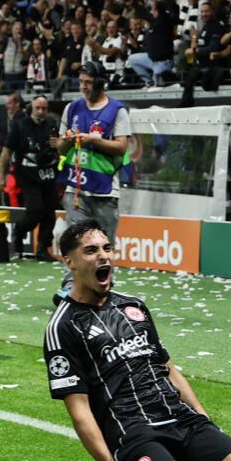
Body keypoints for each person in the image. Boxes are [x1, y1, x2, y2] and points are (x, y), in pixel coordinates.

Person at [46, 220, 231, 461]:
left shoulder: (134, 306)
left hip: (181, 420)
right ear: (70, 261)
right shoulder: (63, 326)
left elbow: (168, 369)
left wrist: (203, 419)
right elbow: (80, 412)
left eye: (107, 248)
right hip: (133, 431)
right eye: (90, 250)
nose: (103, 256)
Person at [55, 60, 129, 299]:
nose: (84, 87)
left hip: (106, 189)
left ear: (99, 82)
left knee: (104, 245)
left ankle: (104, 287)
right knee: (76, 241)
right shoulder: (71, 109)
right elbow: (60, 148)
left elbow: (121, 147)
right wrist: (67, 140)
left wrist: (92, 140)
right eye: (81, 82)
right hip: (75, 188)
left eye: (88, 82)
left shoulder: (117, 110)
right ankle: (70, 288)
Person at [0, 95, 59, 261]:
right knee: (35, 210)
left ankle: (42, 248)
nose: (40, 112)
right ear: (31, 108)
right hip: (27, 175)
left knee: (50, 213)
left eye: (44, 108)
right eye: (37, 108)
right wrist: (1, 176)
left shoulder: (52, 124)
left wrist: (59, 144)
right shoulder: (20, 126)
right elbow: (6, 152)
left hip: (48, 174)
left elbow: (62, 148)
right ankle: (19, 231)